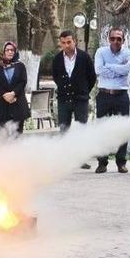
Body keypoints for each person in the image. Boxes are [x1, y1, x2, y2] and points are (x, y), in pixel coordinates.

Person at [52, 30, 97, 168]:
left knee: (80, 128)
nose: (66, 45)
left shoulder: (84, 57)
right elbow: (55, 76)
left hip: (80, 99)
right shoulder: (57, 59)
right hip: (64, 99)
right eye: (63, 43)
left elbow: (92, 77)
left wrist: (83, 91)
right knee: (64, 128)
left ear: (75, 41)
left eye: (69, 42)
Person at [94, 27, 130, 173]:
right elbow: (98, 70)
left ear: (123, 40)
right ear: (108, 39)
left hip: (121, 95)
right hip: (104, 95)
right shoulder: (101, 52)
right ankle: (102, 162)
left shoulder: (128, 53)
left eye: (119, 39)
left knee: (123, 129)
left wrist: (109, 66)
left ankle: (121, 162)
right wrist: (118, 69)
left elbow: (126, 70)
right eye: (113, 38)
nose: (115, 41)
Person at [0, 41, 30, 135]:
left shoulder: (20, 66)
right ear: (3, 52)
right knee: (3, 135)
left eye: (12, 50)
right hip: (2, 105)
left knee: (17, 135)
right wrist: (5, 95)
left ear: (15, 51)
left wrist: (13, 94)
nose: (10, 52)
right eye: (7, 50)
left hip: (17, 104)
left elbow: (23, 81)